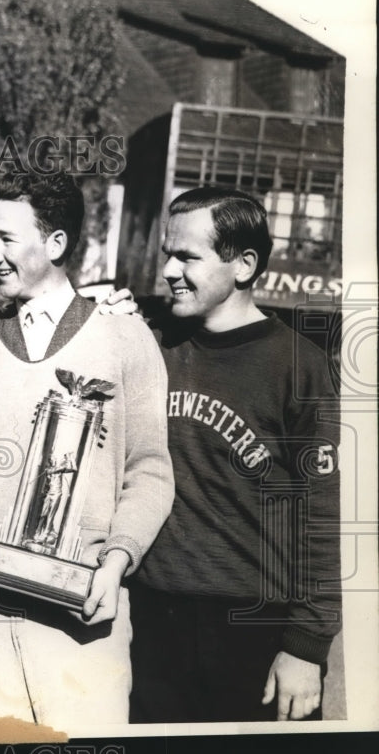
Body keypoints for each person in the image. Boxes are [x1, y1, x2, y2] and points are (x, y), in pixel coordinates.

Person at [0, 170, 174, 728]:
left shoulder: (125, 336)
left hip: (83, 617)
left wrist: (115, 563)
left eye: (7, 239)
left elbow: (149, 471)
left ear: (57, 243)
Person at [128, 187, 342, 723]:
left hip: (254, 629)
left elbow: (324, 515)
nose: (170, 271)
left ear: (244, 264)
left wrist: (307, 644)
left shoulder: (298, 366)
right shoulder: (153, 343)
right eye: (167, 255)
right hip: (153, 621)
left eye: (188, 257)